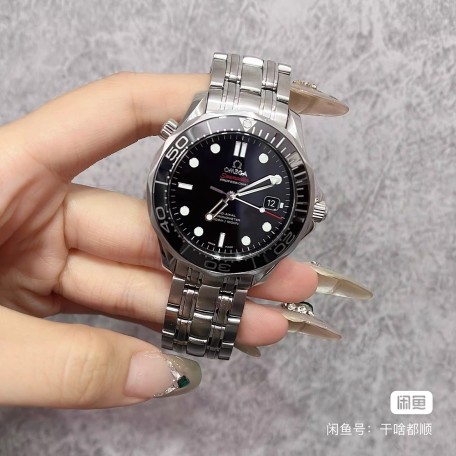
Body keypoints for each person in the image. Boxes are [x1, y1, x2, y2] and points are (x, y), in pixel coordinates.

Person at [0, 73, 322, 408]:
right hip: (186, 247)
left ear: (310, 211)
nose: (230, 195)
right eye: (227, 193)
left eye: (234, 194)